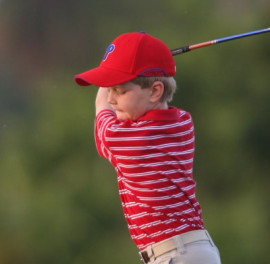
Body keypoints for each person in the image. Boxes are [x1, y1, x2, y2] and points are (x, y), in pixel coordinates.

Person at [74, 32, 221, 264]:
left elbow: (101, 107)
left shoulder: (123, 139)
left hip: (176, 255)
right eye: (111, 89)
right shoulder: (183, 122)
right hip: (192, 250)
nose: (111, 98)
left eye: (119, 91)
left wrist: (108, 77)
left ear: (155, 91)